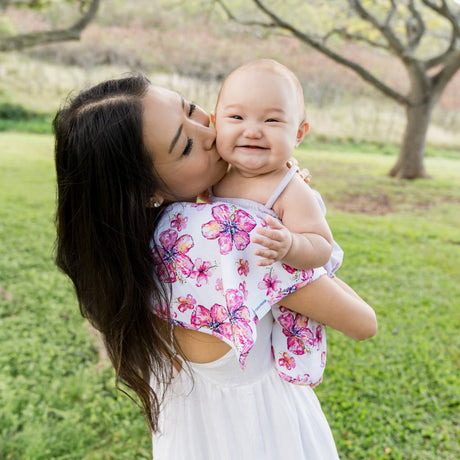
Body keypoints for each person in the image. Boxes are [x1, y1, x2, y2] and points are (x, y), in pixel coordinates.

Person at [54, 73, 377, 460]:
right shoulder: (230, 233)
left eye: (192, 110)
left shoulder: (132, 249)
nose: (209, 133)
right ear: (147, 192)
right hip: (267, 435)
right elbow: (362, 322)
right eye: (186, 144)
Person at [210, 58, 348, 386]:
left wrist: (290, 244)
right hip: (235, 291)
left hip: (287, 289)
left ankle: (297, 373)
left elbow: (320, 245)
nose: (253, 130)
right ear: (216, 123)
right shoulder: (213, 176)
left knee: (293, 354)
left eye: (272, 120)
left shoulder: (289, 188)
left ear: (298, 133)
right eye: (236, 117)